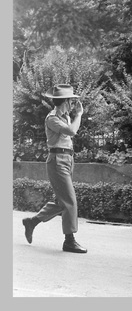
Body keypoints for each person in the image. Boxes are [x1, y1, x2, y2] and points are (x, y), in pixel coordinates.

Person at [22, 84, 87, 253]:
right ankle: (69, 241)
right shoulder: (52, 118)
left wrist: (73, 115)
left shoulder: (64, 115)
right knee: (70, 200)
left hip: (67, 159)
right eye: (72, 101)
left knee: (61, 201)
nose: (73, 104)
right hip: (57, 160)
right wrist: (79, 114)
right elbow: (72, 131)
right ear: (64, 101)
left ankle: (32, 222)